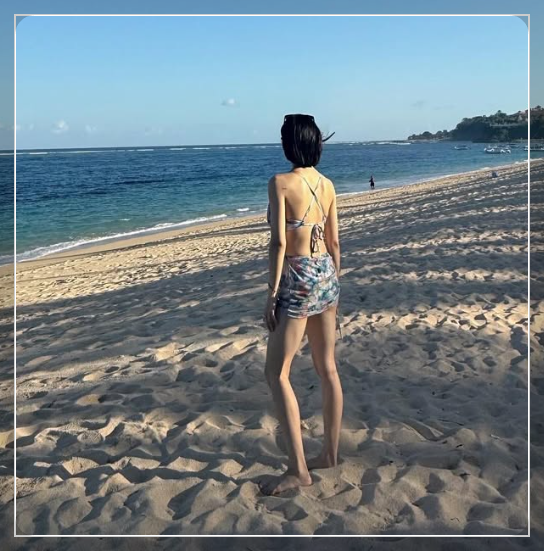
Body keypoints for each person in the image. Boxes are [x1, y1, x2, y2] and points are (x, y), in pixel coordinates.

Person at [260, 114, 342, 495]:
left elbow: (279, 243)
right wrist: (333, 283)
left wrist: (271, 293)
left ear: (289, 144)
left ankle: (299, 470)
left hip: (297, 277)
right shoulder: (327, 185)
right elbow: (334, 242)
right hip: (326, 273)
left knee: (276, 373)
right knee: (328, 369)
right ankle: (329, 454)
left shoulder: (280, 182)